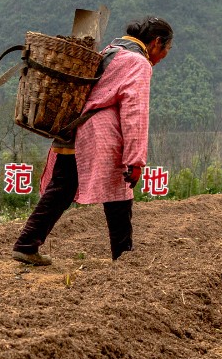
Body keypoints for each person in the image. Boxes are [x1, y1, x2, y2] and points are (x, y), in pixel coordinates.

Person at [12, 16, 173, 264]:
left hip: (72, 128)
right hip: (99, 135)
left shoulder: (110, 51)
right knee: (119, 193)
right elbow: (134, 112)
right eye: (166, 49)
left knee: (61, 189)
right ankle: (124, 257)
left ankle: (26, 244)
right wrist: (136, 160)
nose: (164, 57)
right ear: (156, 42)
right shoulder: (137, 62)